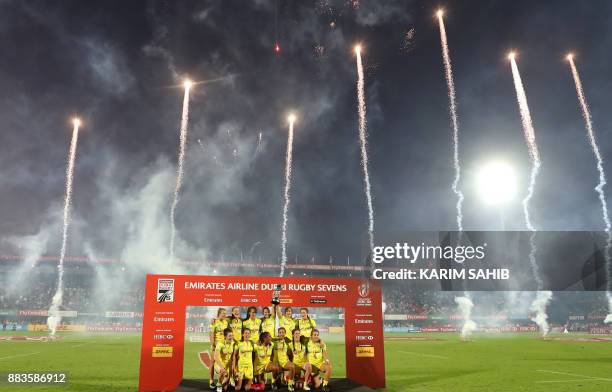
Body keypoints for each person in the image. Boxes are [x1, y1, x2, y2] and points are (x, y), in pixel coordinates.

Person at [209, 308, 229, 389]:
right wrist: (213, 344)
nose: (224, 315)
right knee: (212, 363)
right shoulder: (214, 322)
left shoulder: (226, 322)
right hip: (216, 345)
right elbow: (211, 334)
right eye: (223, 313)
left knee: (223, 361)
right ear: (219, 314)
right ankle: (211, 381)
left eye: (225, 313)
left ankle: (221, 380)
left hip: (224, 346)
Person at [274, 327, 296, 391]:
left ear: (285, 333)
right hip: (276, 362)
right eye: (280, 332)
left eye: (283, 332)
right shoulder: (274, 341)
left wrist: (290, 361)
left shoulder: (287, 342)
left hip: (285, 361)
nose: (281, 334)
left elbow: (290, 353)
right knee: (274, 367)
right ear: (278, 333)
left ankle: (290, 384)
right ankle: (274, 381)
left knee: (292, 367)